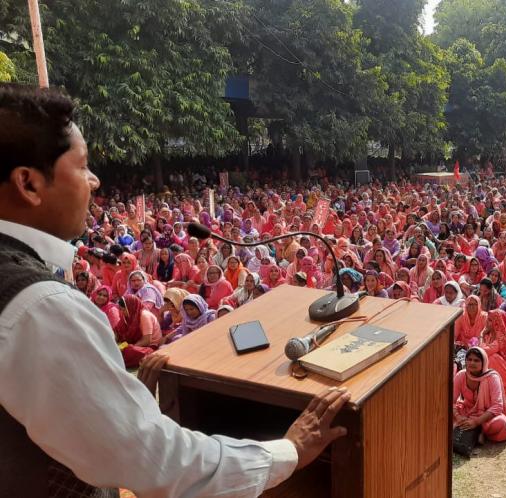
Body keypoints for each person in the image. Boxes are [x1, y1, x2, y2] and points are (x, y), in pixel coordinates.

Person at [0, 84, 348, 496]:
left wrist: (115, 401)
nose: (94, 181)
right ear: (29, 184)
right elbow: (154, 459)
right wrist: (289, 450)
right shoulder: (38, 307)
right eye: (82, 166)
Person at [452, 348, 506, 443]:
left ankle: (478, 431)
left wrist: (476, 422)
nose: (472, 363)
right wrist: (459, 417)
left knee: (502, 423)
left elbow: (497, 406)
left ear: (484, 362)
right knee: (444, 415)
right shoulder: (461, 375)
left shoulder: (492, 377)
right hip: (466, 412)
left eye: (476, 360)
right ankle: (473, 431)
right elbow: (451, 401)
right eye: (469, 359)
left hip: (486, 416)